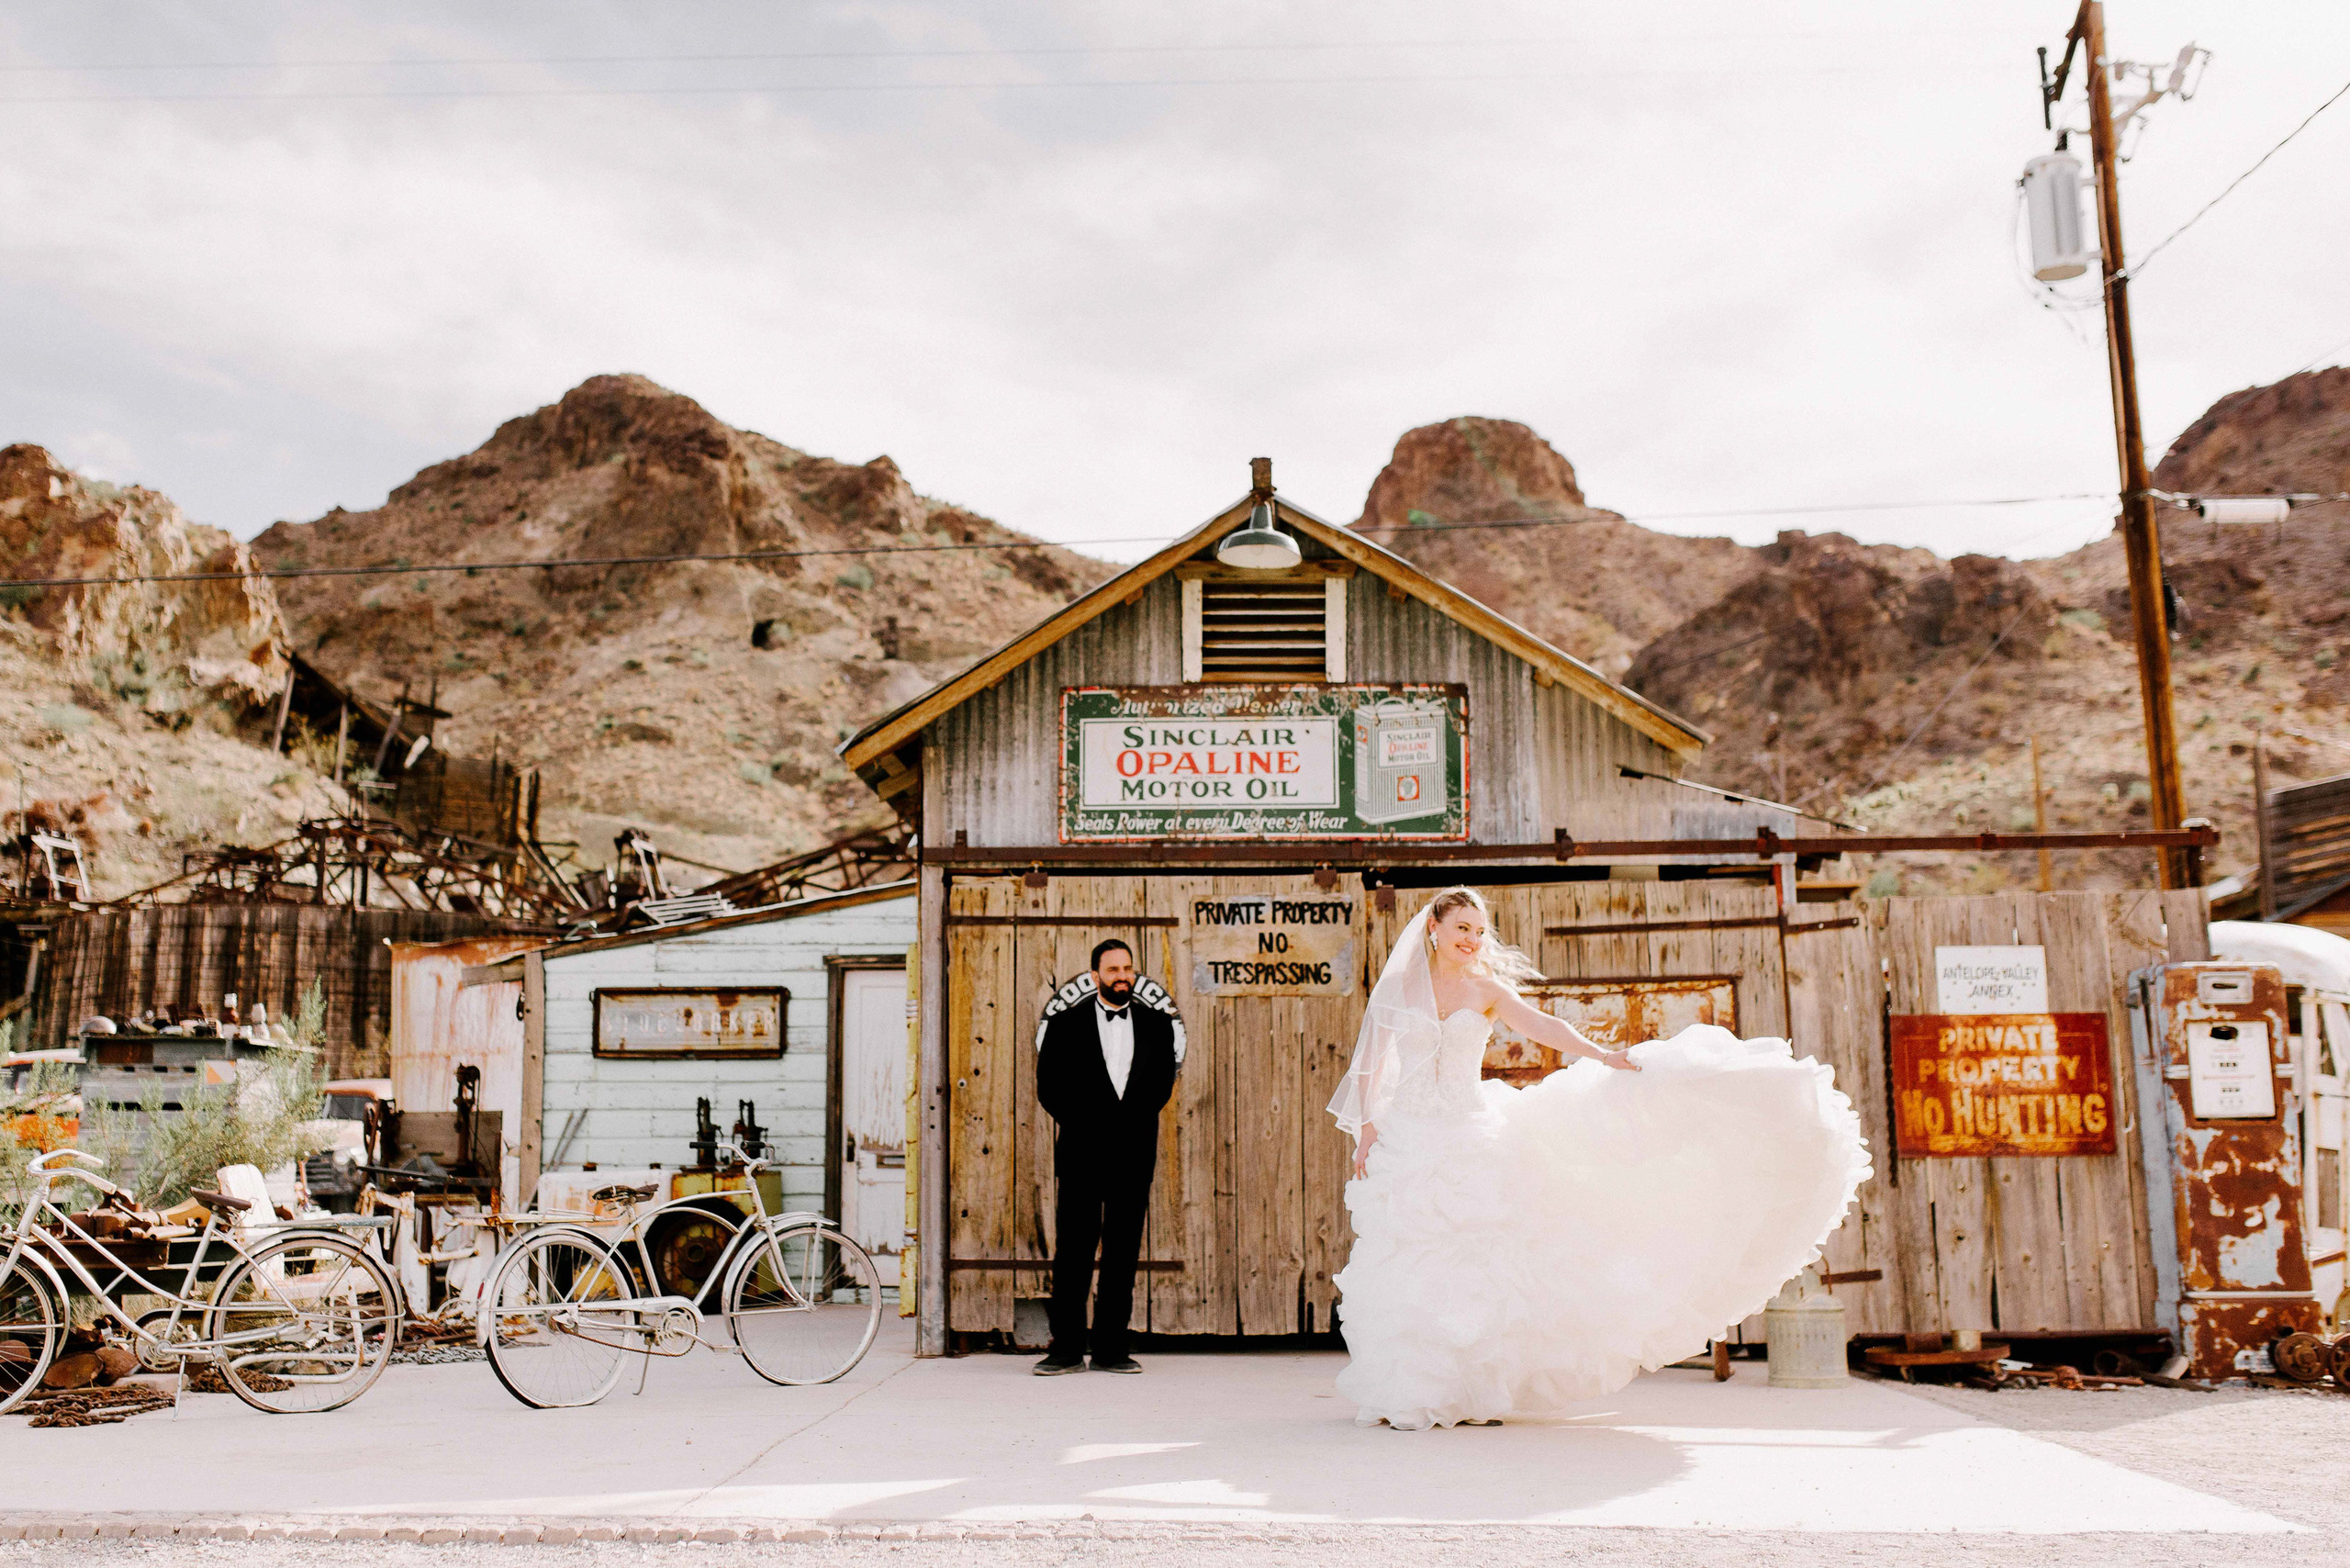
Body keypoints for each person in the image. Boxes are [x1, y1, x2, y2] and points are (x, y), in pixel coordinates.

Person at [1326, 887, 1871, 1429]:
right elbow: (1371, 1059)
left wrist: (1602, 1054)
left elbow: (1543, 1027)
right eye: (1462, 928)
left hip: (1470, 1133)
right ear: (1434, 930)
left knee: (1479, 1265)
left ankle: (1471, 1392)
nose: (1472, 939)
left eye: (1479, 929)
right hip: (1413, 1137)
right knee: (1412, 1263)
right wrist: (1368, 1128)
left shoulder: (1486, 991)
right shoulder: (1400, 988)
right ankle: (1413, 1388)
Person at [1033, 938, 1181, 1375]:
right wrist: (1091, 1124)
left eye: (1127, 969)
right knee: (1073, 1253)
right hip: (1081, 1153)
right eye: (1113, 969)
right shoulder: (1064, 1025)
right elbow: (1050, 1088)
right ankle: (1065, 1350)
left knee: (1122, 1253)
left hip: (1134, 1155)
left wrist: (1127, 1124)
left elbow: (1160, 1086)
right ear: (1095, 976)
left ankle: (1111, 1349)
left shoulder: (1158, 1024)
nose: (1122, 976)